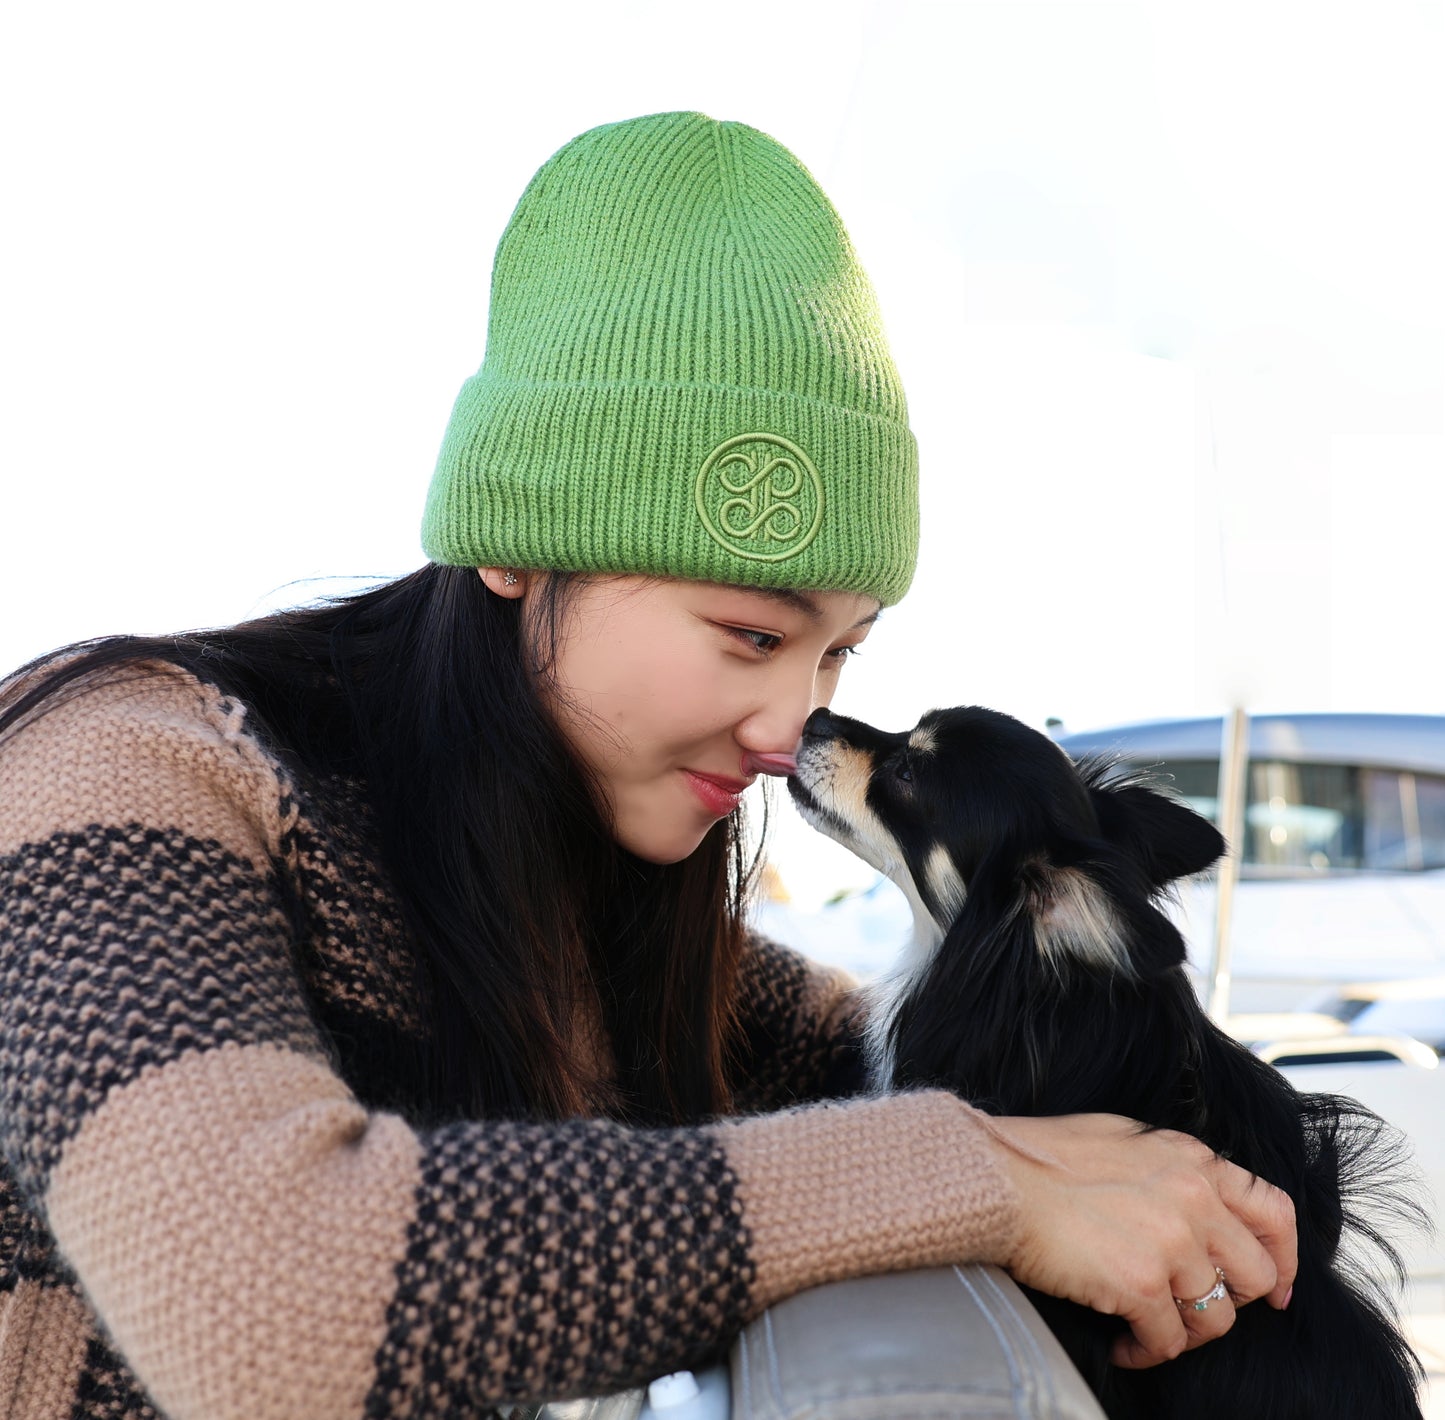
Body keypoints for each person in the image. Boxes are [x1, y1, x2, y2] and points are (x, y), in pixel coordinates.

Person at [0, 111, 1295, 1420]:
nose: (794, 721)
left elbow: (876, 1055)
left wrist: (1200, 1159)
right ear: (514, 543)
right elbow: (265, 1305)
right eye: (749, 634)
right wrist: (983, 1177)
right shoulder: (120, 773)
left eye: (838, 654)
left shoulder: (584, 893)